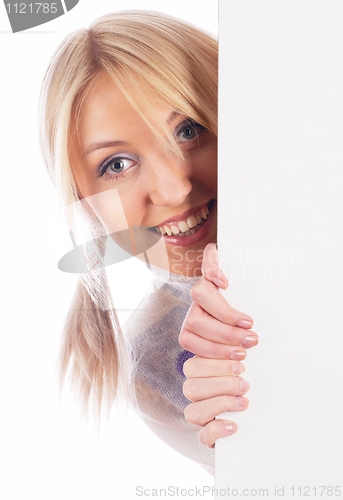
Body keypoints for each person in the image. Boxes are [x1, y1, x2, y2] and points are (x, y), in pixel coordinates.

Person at [39, 10, 258, 476]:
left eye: (188, 129)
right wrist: (259, 445)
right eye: (116, 164)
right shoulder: (159, 366)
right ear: (84, 204)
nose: (175, 188)